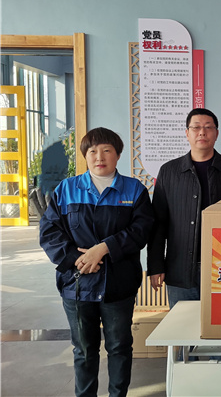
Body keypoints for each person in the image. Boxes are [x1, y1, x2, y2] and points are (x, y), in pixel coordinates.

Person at [39, 127, 154, 397]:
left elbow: (141, 230)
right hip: (77, 285)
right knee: (83, 350)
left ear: (117, 155)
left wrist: (103, 248)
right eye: (92, 151)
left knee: (119, 347)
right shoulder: (66, 189)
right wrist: (78, 259)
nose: (99, 157)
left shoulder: (134, 190)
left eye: (106, 150)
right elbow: (49, 232)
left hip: (118, 285)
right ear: (85, 155)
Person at [147, 108, 221, 308]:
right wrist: (155, 265)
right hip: (180, 267)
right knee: (183, 324)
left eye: (208, 127)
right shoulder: (169, 171)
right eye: (196, 127)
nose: (202, 132)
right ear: (187, 133)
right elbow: (158, 222)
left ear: (216, 133)